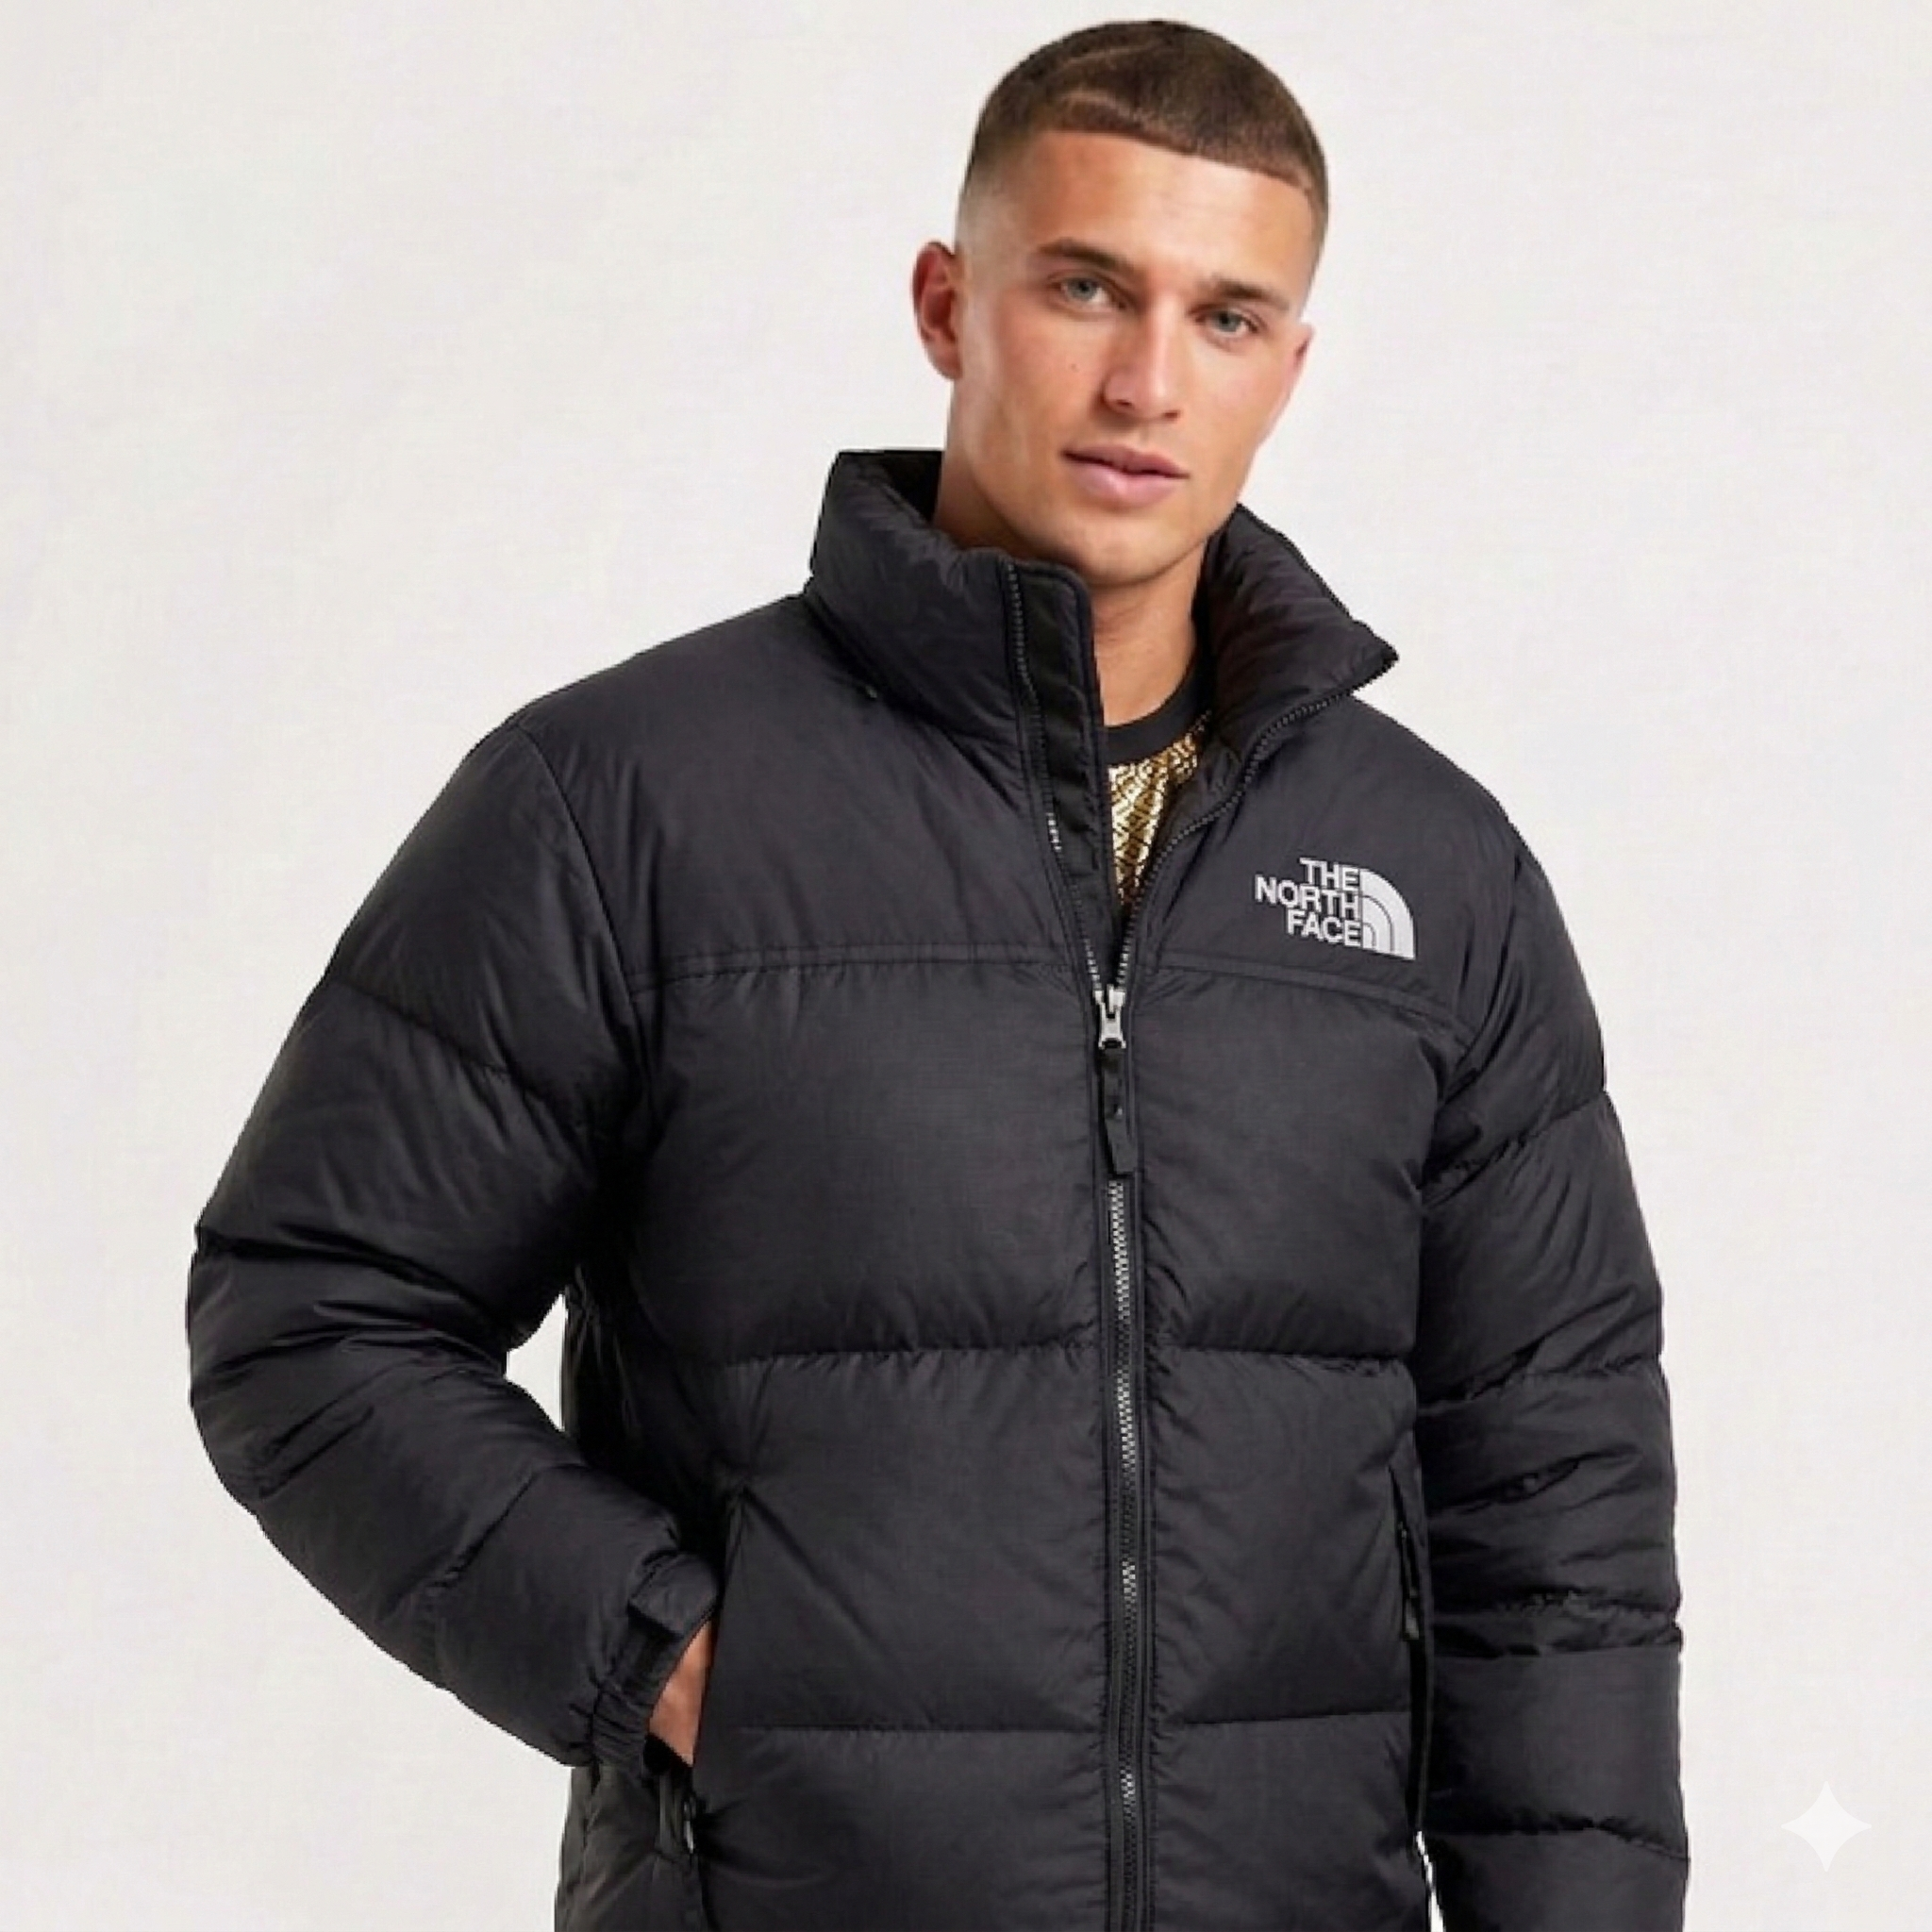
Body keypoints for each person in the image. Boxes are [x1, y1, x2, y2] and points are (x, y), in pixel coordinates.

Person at [186, 19, 1688, 1931]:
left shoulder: (1433, 870)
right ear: (945, 304)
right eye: (1087, 287)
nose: (1147, 381)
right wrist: (683, 1667)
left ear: (1287, 370)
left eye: (1226, 317)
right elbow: (311, 1314)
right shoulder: (625, 801)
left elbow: (1553, 1498)